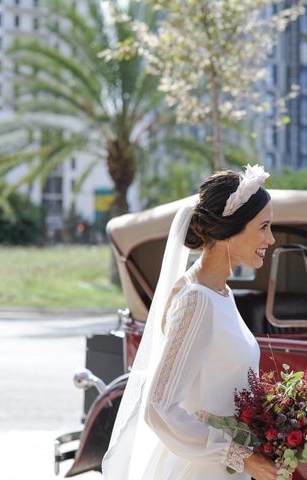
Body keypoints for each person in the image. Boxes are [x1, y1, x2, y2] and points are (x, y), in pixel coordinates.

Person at [102, 165, 278, 480]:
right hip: (202, 470)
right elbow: (158, 407)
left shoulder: (221, 293)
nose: (271, 238)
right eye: (263, 227)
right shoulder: (197, 301)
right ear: (231, 229)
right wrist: (239, 456)